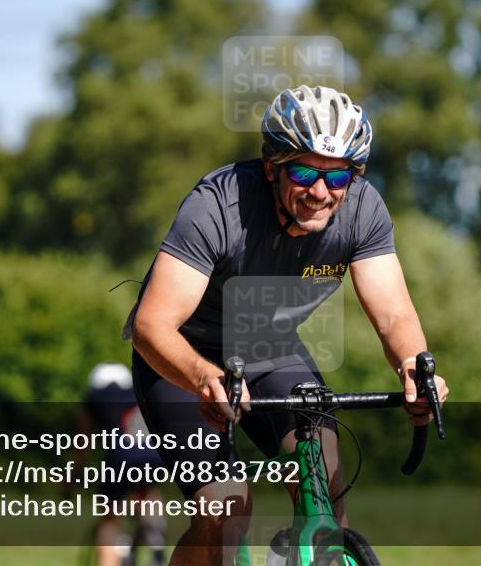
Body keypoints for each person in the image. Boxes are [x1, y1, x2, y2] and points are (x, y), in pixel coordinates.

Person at [124, 85, 449, 565]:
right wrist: (203, 379)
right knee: (226, 507)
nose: (320, 192)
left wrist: (410, 368)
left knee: (324, 475)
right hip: (184, 359)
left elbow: (394, 313)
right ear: (273, 165)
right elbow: (154, 325)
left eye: (337, 178)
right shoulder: (218, 206)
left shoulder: (363, 210)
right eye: (303, 172)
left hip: (269, 347)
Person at [76, 362, 165, 566]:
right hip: (155, 456)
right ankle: (153, 529)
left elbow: (83, 442)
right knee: (147, 491)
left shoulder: (94, 398)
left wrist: (75, 475)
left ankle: (111, 559)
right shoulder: (137, 394)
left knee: (110, 517)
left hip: (121, 459)